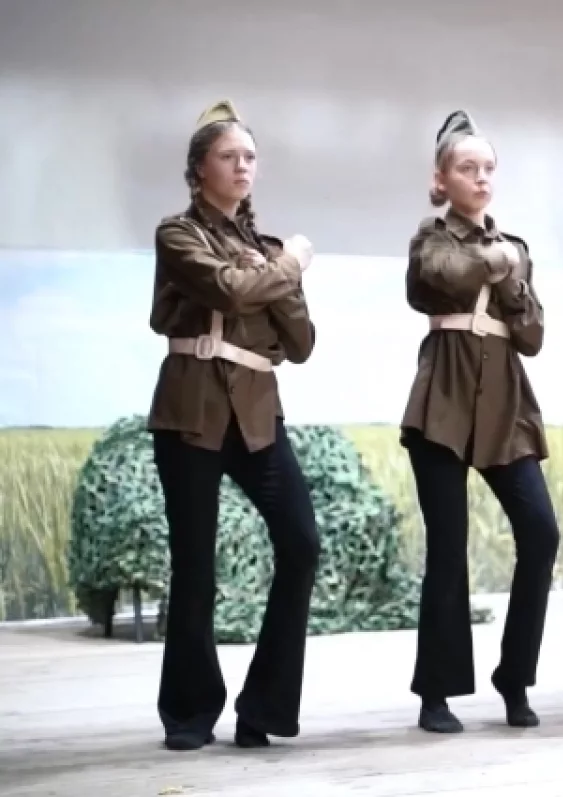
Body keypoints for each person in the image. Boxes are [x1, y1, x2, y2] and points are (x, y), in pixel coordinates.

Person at [148, 100, 320, 751]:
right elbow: (228, 291)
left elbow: (300, 343)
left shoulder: (266, 250)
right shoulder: (177, 234)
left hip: (256, 414)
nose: (243, 165)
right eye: (229, 156)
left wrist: (275, 273)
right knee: (196, 566)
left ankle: (265, 707)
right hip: (190, 411)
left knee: (301, 541)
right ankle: (189, 712)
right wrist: (290, 267)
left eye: (249, 156)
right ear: (199, 169)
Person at [401, 110, 560, 734]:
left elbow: (533, 336)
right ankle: (435, 694)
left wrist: (513, 284)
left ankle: (515, 677)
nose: (482, 178)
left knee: (540, 534)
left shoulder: (515, 247)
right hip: (442, 403)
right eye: (468, 168)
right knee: (449, 548)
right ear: (441, 180)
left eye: (489, 168)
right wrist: (495, 264)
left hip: (506, 407)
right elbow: (437, 279)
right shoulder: (431, 238)